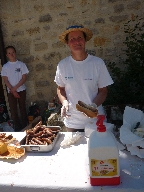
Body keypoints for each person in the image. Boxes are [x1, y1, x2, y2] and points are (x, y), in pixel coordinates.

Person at [54, 25, 114, 132]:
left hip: (96, 122)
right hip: (72, 122)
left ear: (85, 40)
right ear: (67, 43)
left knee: (98, 148)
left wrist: (93, 106)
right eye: (72, 39)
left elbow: (103, 91)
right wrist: (64, 103)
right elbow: (60, 89)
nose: (77, 42)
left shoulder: (97, 63)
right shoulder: (62, 65)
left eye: (80, 38)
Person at [1, 46, 29, 131]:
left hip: (21, 90)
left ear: (15, 53)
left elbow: (24, 78)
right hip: (11, 92)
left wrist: (15, 88)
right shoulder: (5, 66)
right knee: (14, 111)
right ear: (7, 55)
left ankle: (25, 127)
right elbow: (5, 80)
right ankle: (17, 128)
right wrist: (12, 90)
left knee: (22, 108)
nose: (11, 54)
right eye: (9, 53)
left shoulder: (21, 64)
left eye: (13, 52)